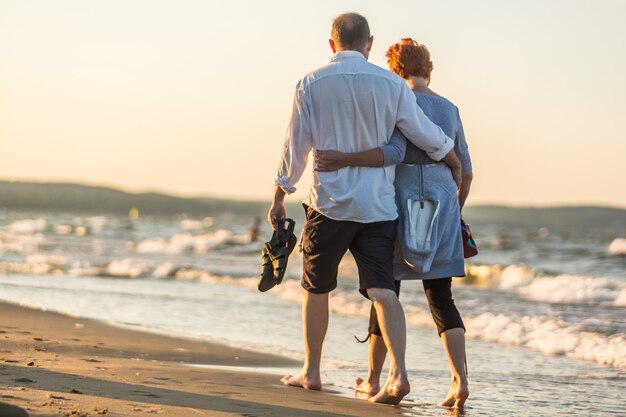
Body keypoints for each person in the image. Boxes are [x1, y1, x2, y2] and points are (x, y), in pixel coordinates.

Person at [268, 14, 462, 405]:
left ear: (331, 43)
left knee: (316, 286)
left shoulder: (311, 82)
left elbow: (296, 147)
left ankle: (312, 372)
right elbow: (422, 131)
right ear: (369, 43)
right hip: (378, 206)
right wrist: (452, 158)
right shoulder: (391, 84)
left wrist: (279, 193)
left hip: (330, 204)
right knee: (382, 291)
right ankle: (399, 375)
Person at [315, 38, 473, 408]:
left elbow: (393, 152)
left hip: (398, 197)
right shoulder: (450, 108)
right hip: (443, 199)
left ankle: (373, 379)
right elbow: (465, 170)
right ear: (428, 67)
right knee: (441, 296)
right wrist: (455, 212)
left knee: (386, 290)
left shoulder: (394, 101)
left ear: (394, 69)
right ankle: (459, 381)